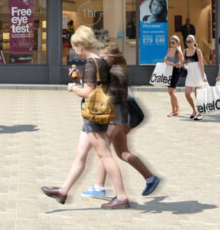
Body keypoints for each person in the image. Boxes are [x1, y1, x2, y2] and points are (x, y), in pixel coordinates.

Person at [40, 26, 129, 210]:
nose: (74, 51)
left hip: (93, 115)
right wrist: (81, 79)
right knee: (80, 154)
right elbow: (98, 86)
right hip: (98, 113)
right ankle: (63, 191)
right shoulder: (101, 62)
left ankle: (121, 196)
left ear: (81, 45)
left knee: (105, 156)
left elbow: (87, 92)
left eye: (75, 47)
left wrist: (73, 88)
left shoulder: (90, 63)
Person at [82, 42, 161, 200]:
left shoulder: (114, 72)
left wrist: (125, 120)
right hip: (120, 117)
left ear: (111, 57)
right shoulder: (117, 70)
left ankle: (99, 186)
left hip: (114, 117)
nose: (101, 60)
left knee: (102, 152)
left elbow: (119, 98)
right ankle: (150, 178)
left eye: (103, 57)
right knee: (122, 152)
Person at [183, 34, 207, 120]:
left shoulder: (198, 51)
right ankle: (194, 110)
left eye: (190, 41)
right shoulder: (184, 51)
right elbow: (184, 62)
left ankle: (200, 114)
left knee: (198, 96)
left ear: (194, 41)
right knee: (187, 94)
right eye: (187, 41)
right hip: (190, 74)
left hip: (198, 74)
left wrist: (203, 76)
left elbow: (201, 64)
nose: (188, 43)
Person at [165, 35, 186, 117]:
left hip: (175, 72)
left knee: (171, 91)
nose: (171, 44)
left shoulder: (178, 52)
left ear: (177, 43)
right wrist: (165, 60)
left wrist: (172, 64)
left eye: (173, 42)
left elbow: (182, 64)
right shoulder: (169, 50)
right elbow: (165, 59)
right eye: (170, 42)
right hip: (168, 72)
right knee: (171, 92)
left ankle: (177, 108)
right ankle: (173, 110)